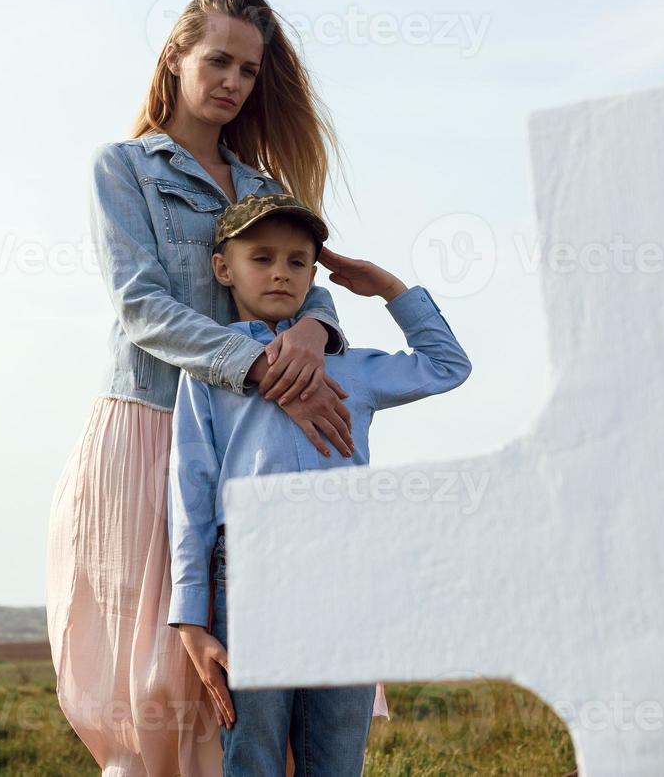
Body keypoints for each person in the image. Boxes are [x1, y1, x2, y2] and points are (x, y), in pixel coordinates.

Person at [46, 0, 390, 776]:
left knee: (256, 671)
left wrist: (314, 326)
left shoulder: (265, 184)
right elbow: (142, 307)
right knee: (165, 681)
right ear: (176, 59)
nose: (233, 82)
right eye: (218, 61)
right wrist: (265, 363)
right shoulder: (123, 169)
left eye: (248, 68)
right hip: (148, 426)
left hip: (252, 438)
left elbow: (306, 277)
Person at [167, 192, 473, 777]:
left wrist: (389, 288)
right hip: (253, 569)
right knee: (252, 753)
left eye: (297, 260)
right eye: (261, 257)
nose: (281, 271)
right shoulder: (210, 374)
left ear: (314, 271)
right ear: (223, 268)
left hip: (348, 569)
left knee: (334, 756)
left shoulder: (352, 367)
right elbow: (191, 494)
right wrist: (190, 620)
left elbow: (447, 366)